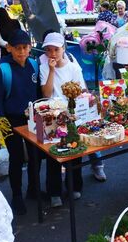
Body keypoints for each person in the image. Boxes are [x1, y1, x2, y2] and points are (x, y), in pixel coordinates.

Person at [39, 32, 106, 206]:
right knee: (54, 152)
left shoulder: (73, 67)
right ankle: (54, 191)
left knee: (75, 149)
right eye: (49, 50)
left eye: (56, 49)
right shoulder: (44, 66)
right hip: (52, 115)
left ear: (63, 48)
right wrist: (52, 70)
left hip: (73, 113)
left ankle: (75, 186)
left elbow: (82, 91)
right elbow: (46, 94)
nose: (52, 53)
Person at [0, 30, 40, 215]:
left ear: (30, 48)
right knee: (17, 157)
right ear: (9, 48)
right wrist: (2, 122)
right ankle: (17, 195)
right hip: (10, 120)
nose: (21, 52)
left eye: (25, 48)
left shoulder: (34, 65)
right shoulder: (3, 70)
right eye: (17, 48)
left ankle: (33, 189)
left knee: (36, 154)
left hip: (32, 119)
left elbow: (38, 94)